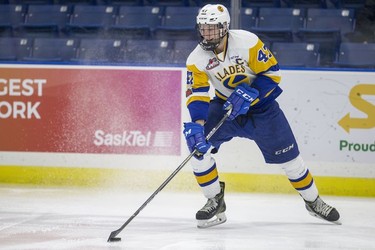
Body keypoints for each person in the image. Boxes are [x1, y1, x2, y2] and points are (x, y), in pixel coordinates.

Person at [182, 4, 341, 229]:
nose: (206, 33)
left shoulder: (247, 42)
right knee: (198, 147)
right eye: (203, 28)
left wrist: (252, 92)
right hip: (226, 108)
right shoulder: (196, 58)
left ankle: (313, 201)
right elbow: (197, 93)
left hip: (263, 109)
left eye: (212, 28)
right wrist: (198, 124)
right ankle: (214, 199)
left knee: (291, 161)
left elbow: (273, 74)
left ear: (225, 27)